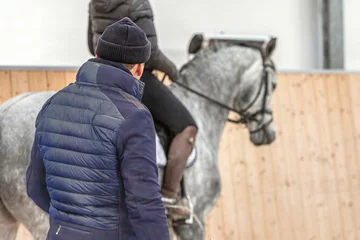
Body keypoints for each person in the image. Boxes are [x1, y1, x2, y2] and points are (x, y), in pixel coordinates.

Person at [26, 18, 170, 240]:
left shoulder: (53, 103)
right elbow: (144, 203)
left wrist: (71, 224)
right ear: (140, 68)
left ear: (98, 56)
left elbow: (34, 186)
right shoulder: (134, 116)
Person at [88, 0, 198, 220]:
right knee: (187, 127)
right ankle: (169, 198)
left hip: (103, 75)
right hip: (138, 77)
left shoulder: (95, 3)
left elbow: (93, 47)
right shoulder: (138, 3)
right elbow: (152, 53)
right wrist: (174, 71)